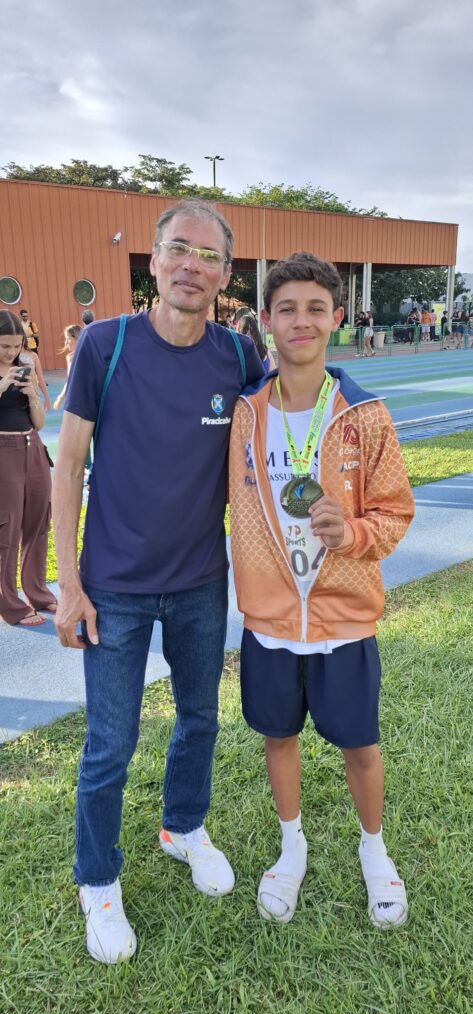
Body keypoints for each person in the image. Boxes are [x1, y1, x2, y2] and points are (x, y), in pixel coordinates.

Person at [52, 199, 264, 964]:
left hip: (202, 582)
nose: (191, 266)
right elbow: (69, 465)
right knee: (110, 743)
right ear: (153, 257)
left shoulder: (238, 358)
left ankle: (183, 827)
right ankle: (97, 881)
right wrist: (67, 584)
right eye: (179, 249)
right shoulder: (105, 346)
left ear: (223, 273)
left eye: (208, 256)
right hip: (113, 588)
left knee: (200, 719)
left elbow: (284, 434)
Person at [229, 251, 414, 930]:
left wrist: (354, 533)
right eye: (286, 309)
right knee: (278, 735)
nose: (300, 321)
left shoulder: (365, 415)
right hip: (270, 620)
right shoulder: (245, 414)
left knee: (357, 743)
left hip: (344, 619)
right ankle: (291, 848)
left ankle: (374, 851)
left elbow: (394, 512)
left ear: (336, 319)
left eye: (314, 308)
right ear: (268, 322)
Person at [0, 311, 56, 626]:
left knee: (38, 523)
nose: (11, 352)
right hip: (3, 451)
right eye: (4, 346)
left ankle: (38, 593)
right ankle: (9, 605)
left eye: (16, 345)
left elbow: (39, 422)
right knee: (6, 529)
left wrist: (32, 393)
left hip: (33, 447)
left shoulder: (25, 368)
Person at [53, 325, 82, 412]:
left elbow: (71, 381)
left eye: (68, 338)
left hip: (79, 401)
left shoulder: (72, 357)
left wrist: (60, 398)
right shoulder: (70, 357)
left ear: (76, 337)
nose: (66, 343)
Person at [19, 335, 51, 410]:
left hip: (33, 393)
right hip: (17, 394)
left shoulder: (33, 355)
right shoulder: (11, 356)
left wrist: (46, 398)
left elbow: (40, 379)